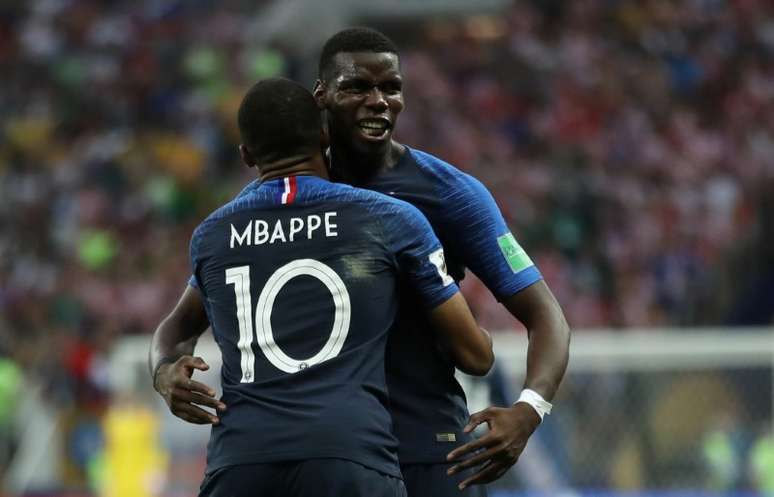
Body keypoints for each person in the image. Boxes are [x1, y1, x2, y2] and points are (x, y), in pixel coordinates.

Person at [149, 77, 494, 497]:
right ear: (326, 135)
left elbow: (175, 329)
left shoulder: (213, 235)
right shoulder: (388, 218)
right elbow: (476, 356)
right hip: (349, 456)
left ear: (245, 155)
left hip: (241, 462)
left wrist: (164, 374)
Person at [311, 27, 571, 495]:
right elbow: (198, 298)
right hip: (325, 454)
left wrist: (530, 409)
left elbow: (546, 315)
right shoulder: (290, 196)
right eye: (358, 87)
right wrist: (170, 362)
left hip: (427, 453)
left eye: (391, 87)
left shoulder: (451, 194)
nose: (378, 101)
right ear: (322, 95)